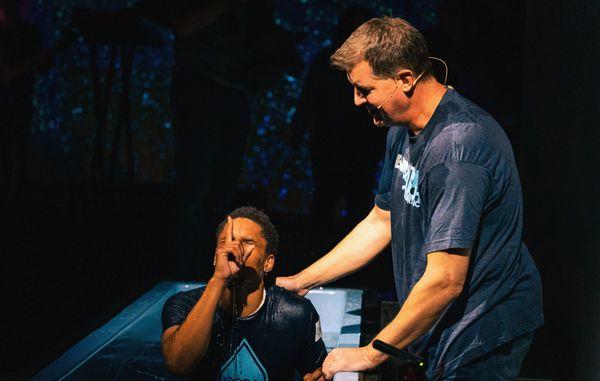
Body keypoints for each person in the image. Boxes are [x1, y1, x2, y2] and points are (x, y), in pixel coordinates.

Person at [277, 17, 543, 380]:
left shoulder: (458, 150)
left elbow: (446, 279)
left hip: (482, 330)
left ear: (405, 79)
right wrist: (302, 281)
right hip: (445, 322)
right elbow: (381, 220)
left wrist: (370, 356)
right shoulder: (402, 130)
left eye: (365, 89)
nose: (356, 101)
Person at [161, 206, 327, 381]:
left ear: (268, 263)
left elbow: (318, 374)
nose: (234, 248)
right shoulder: (183, 305)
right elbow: (177, 364)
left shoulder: (296, 313)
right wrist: (219, 279)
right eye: (226, 241)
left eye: (247, 242)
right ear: (216, 257)